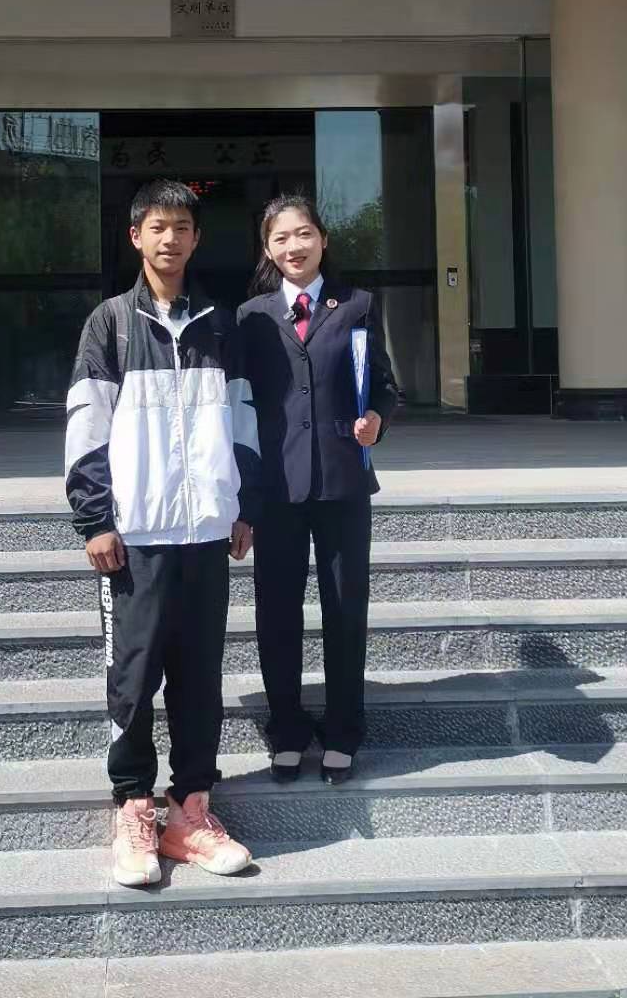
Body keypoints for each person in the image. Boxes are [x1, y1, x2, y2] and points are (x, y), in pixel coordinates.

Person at [65, 178, 261, 887]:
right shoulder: (111, 324)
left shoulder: (218, 323)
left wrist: (242, 505)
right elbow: (86, 426)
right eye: (157, 227)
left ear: (197, 238)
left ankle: (192, 809)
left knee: (201, 674)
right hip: (136, 535)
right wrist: (95, 518)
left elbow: (243, 420)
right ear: (135, 237)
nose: (170, 238)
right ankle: (134, 807)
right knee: (134, 673)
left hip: (205, 529)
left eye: (181, 227)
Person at [237, 194, 397, 785]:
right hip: (277, 488)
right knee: (276, 612)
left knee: (345, 610)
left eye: (303, 234)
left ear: (323, 239)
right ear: (267, 249)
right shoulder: (252, 317)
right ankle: (286, 729)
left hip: (342, 481)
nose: (294, 247)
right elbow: (241, 406)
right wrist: (242, 498)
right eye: (280, 238)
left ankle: (344, 729)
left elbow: (384, 386)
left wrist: (376, 418)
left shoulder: (357, 305)